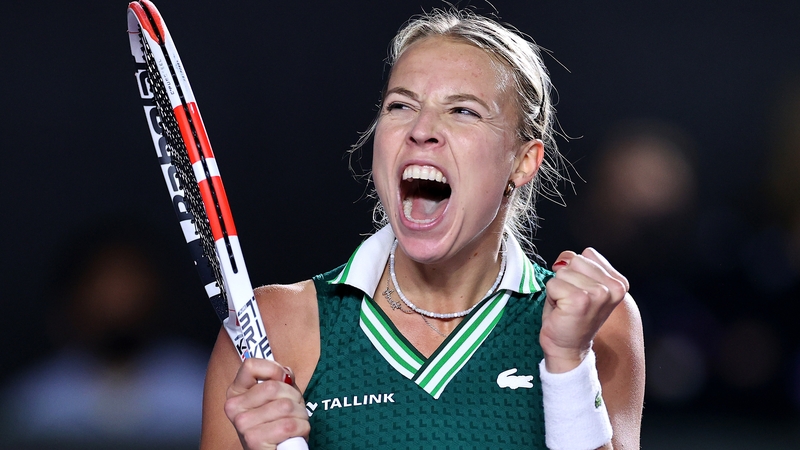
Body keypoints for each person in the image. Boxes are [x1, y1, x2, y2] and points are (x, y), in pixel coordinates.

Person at [201, 8, 644, 450]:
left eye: (464, 111)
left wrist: (568, 362)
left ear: (523, 160)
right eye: (400, 105)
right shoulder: (270, 328)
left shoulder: (600, 326)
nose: (421, 129)